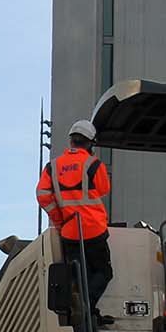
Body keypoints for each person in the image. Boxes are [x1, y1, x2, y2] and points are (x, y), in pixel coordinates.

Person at [36, 118, 114, 319]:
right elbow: (104, 189)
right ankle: (86, 304)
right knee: (104, 273)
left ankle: (87, 310)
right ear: (90, 144)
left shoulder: (52, 167)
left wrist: (59, 219)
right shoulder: (93, 163)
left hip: (70, 232)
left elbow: (43, 195)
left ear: (71, 141)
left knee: (81, 274)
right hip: (94, 230)